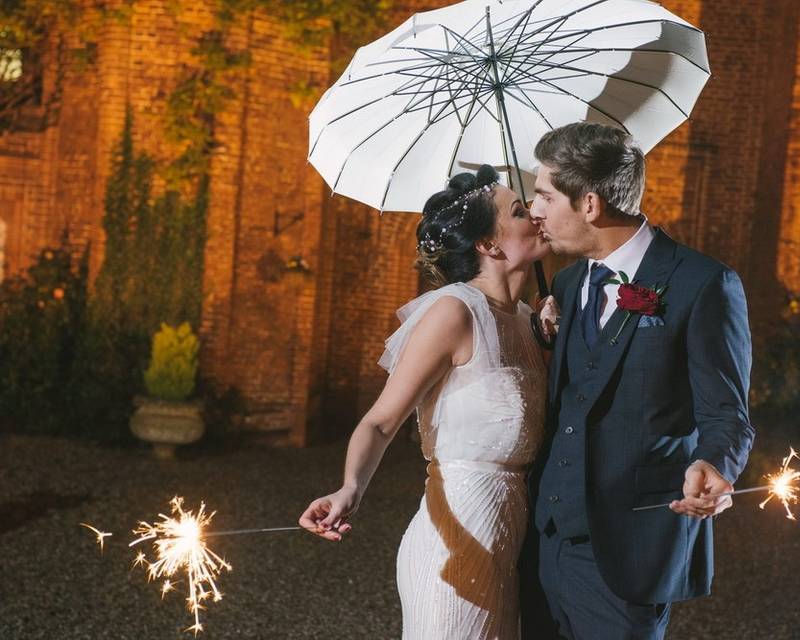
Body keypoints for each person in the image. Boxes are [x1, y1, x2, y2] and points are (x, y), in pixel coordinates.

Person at [522, 122, 755, 640]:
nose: (533, 210)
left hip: (629, 552)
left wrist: (716, 464)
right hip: (543, 542)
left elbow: (727, 414)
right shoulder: (565, 281)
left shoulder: (703, 283)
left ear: (588, 204)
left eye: (543, 195)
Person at [298, 164, 551, 639]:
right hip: (452, 539)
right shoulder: (454, 312)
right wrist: (349, 489)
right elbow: (380, 421)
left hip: (510, 540)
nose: (536, 216)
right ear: (489, 244)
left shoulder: (526, 320)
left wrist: (550, 338)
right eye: (519, 211)